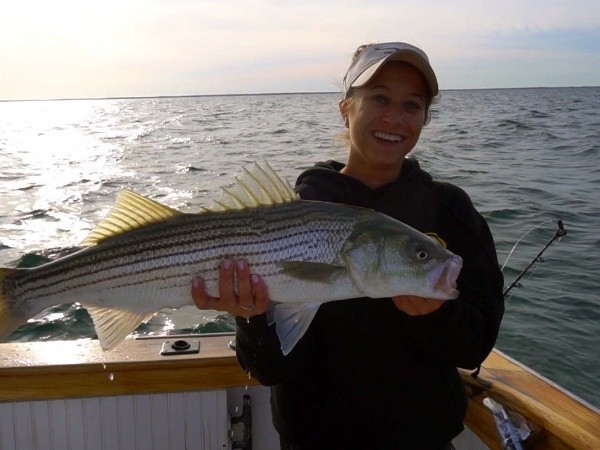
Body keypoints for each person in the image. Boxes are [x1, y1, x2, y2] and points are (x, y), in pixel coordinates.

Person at [191, 42, 504, 450]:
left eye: (412, 105)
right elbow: (268, 368)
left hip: (422, 439)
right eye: (378, 98)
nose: (394, 117)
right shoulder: (294, 210)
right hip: (313, 439)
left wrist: (435, 317)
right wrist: (251, 318)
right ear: (346, 108)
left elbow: (475, 346)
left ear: (425, 117)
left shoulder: (452, 210)